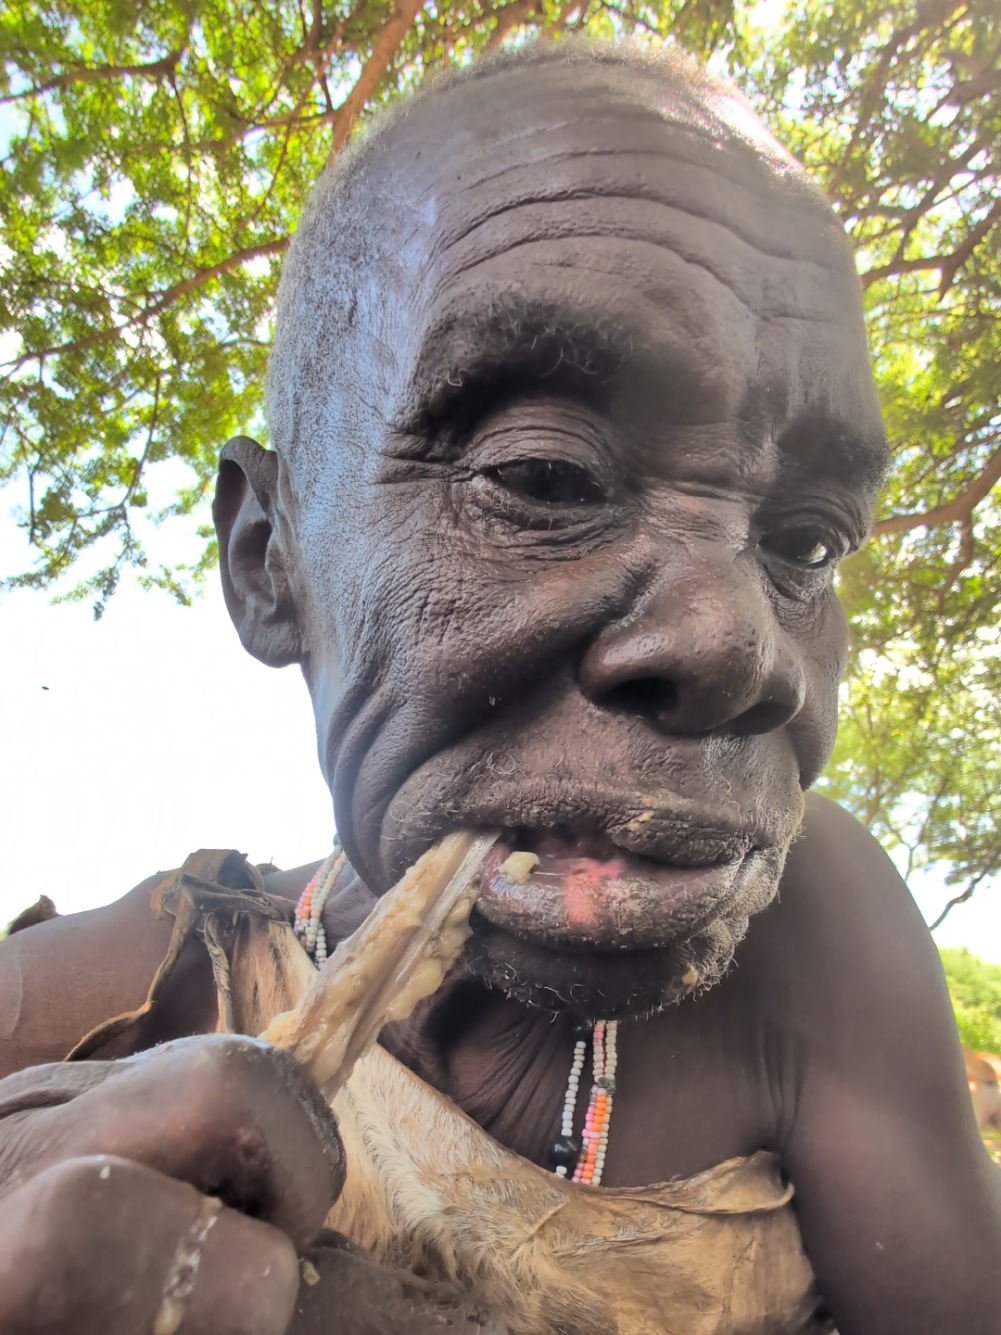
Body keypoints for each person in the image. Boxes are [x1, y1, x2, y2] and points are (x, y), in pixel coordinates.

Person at [1, 42, 998, 1335]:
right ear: (269, 560)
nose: (739, 646)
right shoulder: (121, 997)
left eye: (804, 541)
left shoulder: (810, 932)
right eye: (543, 477)